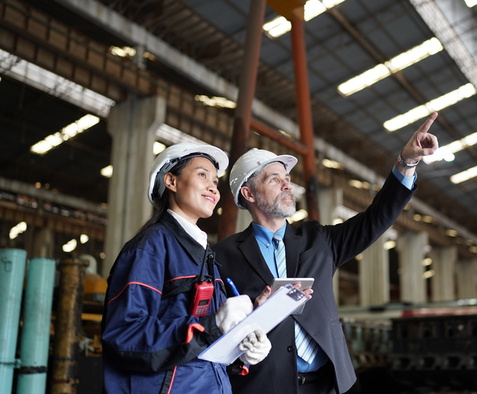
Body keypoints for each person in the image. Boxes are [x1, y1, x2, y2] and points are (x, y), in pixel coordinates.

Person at [213, 112, 439, 393]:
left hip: (332, 383)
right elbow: (217, 328)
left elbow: (375, 218)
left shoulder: (318, 239)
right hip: (268, 385)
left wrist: (407, 163)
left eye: (287, 178)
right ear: (248, 194)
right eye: (274, 179)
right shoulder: (223, 257)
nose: (287, 184)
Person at [101, 142, 272, 393]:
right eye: (202, 174)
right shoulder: (150, 248)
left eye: (215, 181)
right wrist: (211, 326)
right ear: (171, 181)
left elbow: (204, 344)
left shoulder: (205, 255)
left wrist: (241, 350)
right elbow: (125, 336)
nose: (213, 186)